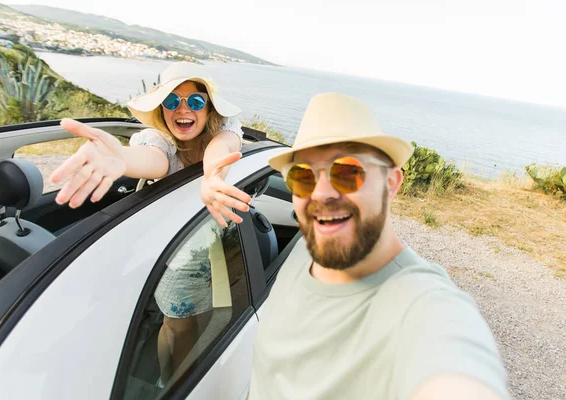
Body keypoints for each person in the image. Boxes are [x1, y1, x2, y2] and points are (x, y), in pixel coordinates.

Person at [249, 93, 510, 400]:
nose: (321, 194)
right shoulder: (305, 249)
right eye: (302, 176)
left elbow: (455, 371)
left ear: (391, 183)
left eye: (347, 173)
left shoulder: (423, 307)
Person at [49, 61, 252, 385]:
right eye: (172, 101)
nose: (183, 109)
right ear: (161, 109)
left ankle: (167, 379)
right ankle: (176, 383)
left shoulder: (224, 130)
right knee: (179, 325)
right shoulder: (159, 142)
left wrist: (213, 174)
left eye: (195, 101)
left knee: (184, 323)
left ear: (209, 109)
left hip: (213, 245)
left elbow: (222, 147)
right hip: (177, 251)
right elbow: (151, 161)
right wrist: (121, 159)